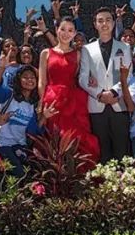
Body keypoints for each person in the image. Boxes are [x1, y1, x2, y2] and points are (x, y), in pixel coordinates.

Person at [40, 16, 100, 165]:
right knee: (55, 139)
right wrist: (41, 105)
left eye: (70, 30)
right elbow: (42, 81)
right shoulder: (46, 53)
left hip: (73, 102)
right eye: (63, 29)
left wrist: (91, 79)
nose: (66, 33)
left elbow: (83, 76)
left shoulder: (79, 54)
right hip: (52, 100)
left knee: (76, 139)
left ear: (74, 34)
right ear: (56, 30)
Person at [78, 7, 133, 162]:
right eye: (100, 21)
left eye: (108, 20)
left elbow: (128, 75)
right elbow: (83, 78)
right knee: (102, 150)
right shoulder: (87, 50)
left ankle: (123, 184)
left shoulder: (124, 47)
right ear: (95, 24)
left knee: (122, 149)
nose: (104, 24)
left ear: (114, 22)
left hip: (119, 103)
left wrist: (114, 93)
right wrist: (100, 93)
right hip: (97, 104)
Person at [0, 64, 55, 176]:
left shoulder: (33, 105)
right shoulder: (9, 95)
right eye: (25, 77)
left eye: (32, 77)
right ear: (18, 80)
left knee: (30, 172)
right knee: (17, 172)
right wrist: (2, 67)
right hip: (1, 143)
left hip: (19, 145)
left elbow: (33, 131)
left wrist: (44, 117)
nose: (29, 80)